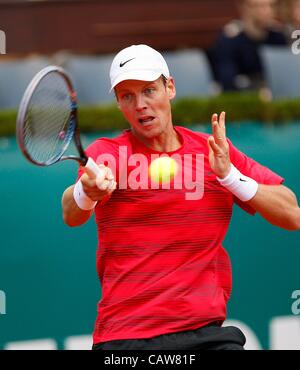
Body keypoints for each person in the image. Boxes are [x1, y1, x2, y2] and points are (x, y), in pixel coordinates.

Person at [62, 44, 300, 350]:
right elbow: (71, 213)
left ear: (170, 87)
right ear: (119, 104)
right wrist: (87, 192)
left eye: (149, 90)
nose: (140, 105)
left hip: (205, 333)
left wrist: (230, 177)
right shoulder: (107, 155)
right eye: (127, 96)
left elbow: (292, 214)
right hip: (126, 339)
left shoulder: (212, 151)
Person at [210, 0, 287, 91]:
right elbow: (228, 83)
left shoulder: (278, 36)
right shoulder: (230, 39)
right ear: (244, 8)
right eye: (259, 6)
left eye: (271, 5)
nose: (267, 11)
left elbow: (285, 75)